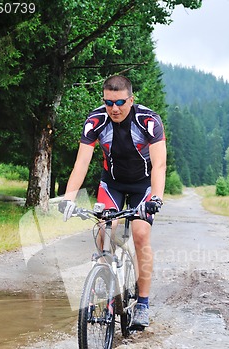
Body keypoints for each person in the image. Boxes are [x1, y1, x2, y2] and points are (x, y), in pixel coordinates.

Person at [58, 75, 167, 328]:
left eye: (119, 102)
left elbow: (159, 165)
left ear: (131, 99)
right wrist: (68, 198)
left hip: (143, 184)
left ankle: (142, 303)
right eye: (108, 102)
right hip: (113, 183)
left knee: (140, 235)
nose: (114, 108)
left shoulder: (148, 121)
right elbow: (81, 162)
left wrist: (157, 198)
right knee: (104, 232)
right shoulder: (96, 121)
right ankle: (106, 287)